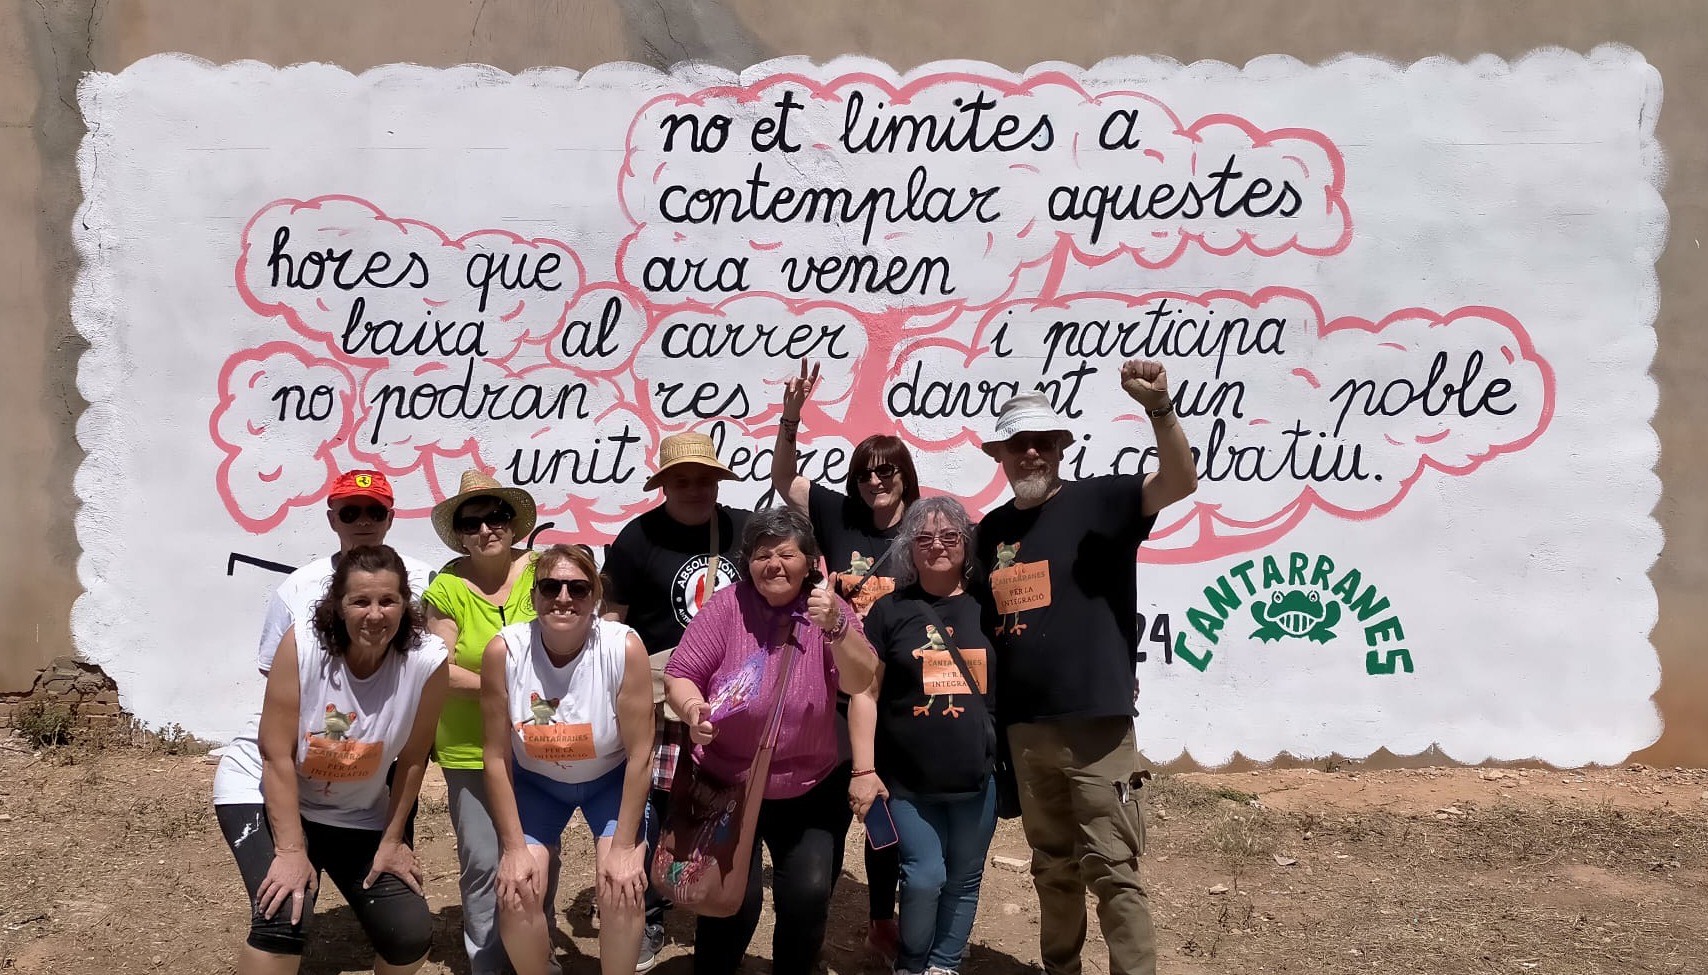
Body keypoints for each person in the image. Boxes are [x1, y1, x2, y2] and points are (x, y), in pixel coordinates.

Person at [973, 363, 1199, 975]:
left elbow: (1179, 481)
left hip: (1096, 724)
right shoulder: (990, 531)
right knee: (1052, 865)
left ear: (1059, 448)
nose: (1030, 454)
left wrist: (1159, 409)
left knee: (1113, 868)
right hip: (1026, 729)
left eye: (1041, 442)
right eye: (1017, 445)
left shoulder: (1102, 499)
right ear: (1001, 455)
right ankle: (1060, 968)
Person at [661, 507, 880, 975]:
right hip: (727, 782)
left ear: (810, 563)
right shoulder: (726, 607)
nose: (774, 565)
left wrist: (837, 627)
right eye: (762, 555)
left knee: (807, 894)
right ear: (747, 562)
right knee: (728, 899)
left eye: (786, 553)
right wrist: (693, 709)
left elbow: (862, 680)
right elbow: (681, 674)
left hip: (810, 786)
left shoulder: (828, 612)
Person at [217, 544, 450, 975]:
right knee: (283, 916)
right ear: (338, 605)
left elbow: (415, 758)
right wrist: (289, 850)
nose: (375, 614)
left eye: (388, 601)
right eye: (360, 601)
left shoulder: (427, 661)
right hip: (262, 785)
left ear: (405, 604)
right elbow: (276, 753)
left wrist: (393, 840)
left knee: (409, 934)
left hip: (355, 808)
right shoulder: (304, 646)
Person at [769, 359, 918, 961]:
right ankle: (816, 901)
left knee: (887, 810)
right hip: (844, 688)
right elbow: (786, 480)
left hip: (904, 692)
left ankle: (883, 916)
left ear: (905, 475)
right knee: (842, 797)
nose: (876, 481)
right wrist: (790, 417)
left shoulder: (929, 528)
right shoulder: (839, 517)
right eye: (865, 473)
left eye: (886, 471)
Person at [602, 431, 751, 970]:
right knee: (655, 805)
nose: (694, 488)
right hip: (660, 697)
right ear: (663, 484)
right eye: (681, 479)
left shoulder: (742, 529)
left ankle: (714, 898)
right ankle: (651, 911)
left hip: (731, 695)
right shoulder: (637, 538)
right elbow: (613, 620)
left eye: (704, 478)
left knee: (719, 800)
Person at [214, 470, 435, 820]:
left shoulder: (425, 582)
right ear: (332, 519)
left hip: (383, 757)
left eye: (375, 512)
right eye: (350, 513)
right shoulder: (299, 587)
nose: (363, 521)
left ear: (390, 518)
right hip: (309, 757)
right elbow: (274, 670)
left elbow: (433, 663)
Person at [481, 545, 656, 975]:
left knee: (621, 888)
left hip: (610, 780)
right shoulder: (504, 651)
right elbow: (496, 755)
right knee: (516, 892)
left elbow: (639, 755)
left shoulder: (623, 647)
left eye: (578, 588)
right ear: (534, 594)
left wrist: (624, 848)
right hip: (538, 785)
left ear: (595, 596)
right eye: (550, 586)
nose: (563, 597)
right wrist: (513, 849)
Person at [849, 497, 998, 975]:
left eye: (949, 536)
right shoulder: (889, 612)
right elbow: (865, 693)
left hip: (978, 775)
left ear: (966, 543)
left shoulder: (988, 606)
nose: (937, 545)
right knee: (924, 876)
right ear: (908, 549)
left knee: (964, 877)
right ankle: (912, 964)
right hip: (907, 783)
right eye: (924, 537)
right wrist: (864, 770)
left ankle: (944, 963)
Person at [422, 470, 544, 975]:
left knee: (537, 857)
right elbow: (438, 668)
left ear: (513, 525)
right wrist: (505, 689)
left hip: (541, 745)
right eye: (472, 523)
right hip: (471, 746)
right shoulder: (447, 588)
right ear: (461, 533)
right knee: (482, 860)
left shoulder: (544, 571)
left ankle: (533, 955)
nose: (486, 529)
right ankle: (488, 962)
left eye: (496, 517)